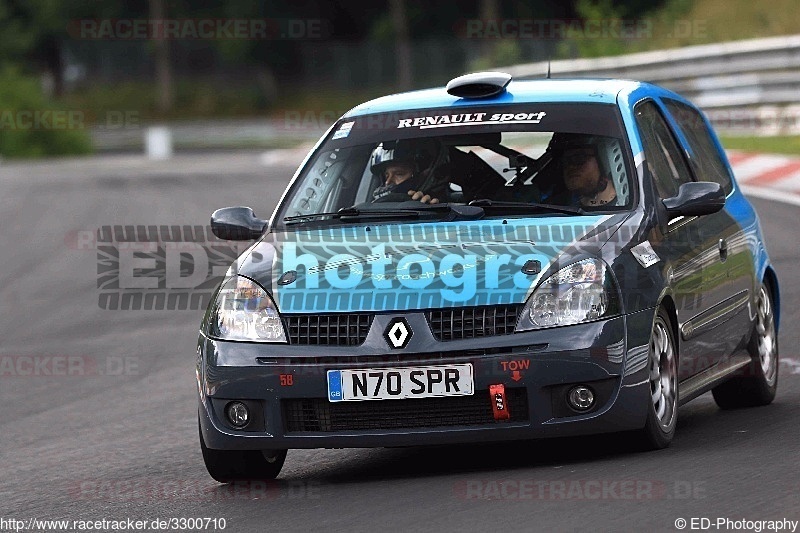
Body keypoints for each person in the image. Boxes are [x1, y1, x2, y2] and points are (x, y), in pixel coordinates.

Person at [369, 140, 442, 204]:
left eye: (399, 174)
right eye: (386, 175)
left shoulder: (445, 207)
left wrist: (429, 210)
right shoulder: (366, 211)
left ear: (421, 176)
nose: (387, 182)